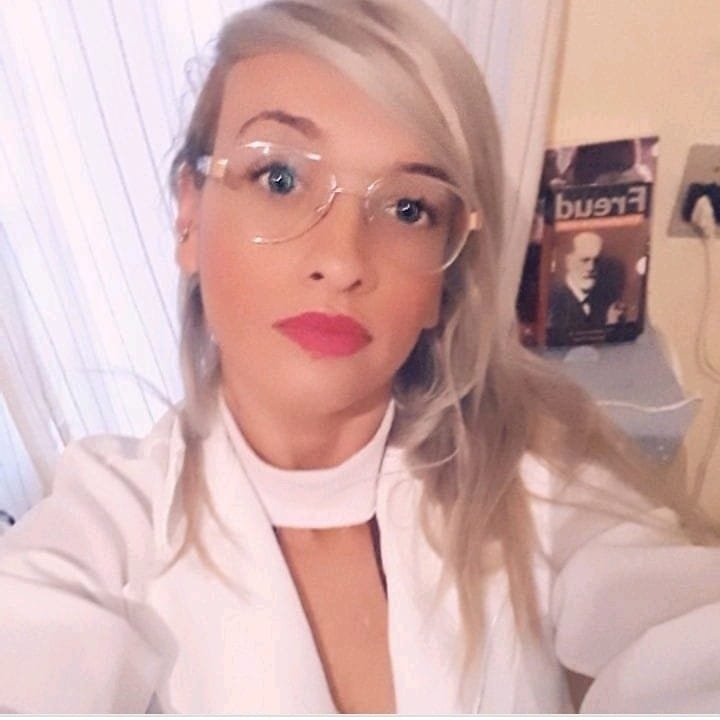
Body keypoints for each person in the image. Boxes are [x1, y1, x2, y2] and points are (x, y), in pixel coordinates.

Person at [1, 0, 718, 713]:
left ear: (443, 277)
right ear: (190, 215)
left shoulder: (537, 490)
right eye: (280, 179)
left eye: (408, 208)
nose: (343, 261)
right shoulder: (105, 529)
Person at [548, 230, 626, 345]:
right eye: (585, 260)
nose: (591, 267)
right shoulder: (551, 301)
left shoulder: (607, 302)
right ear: (568, 261)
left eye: (596, 261)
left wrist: (611, 326)